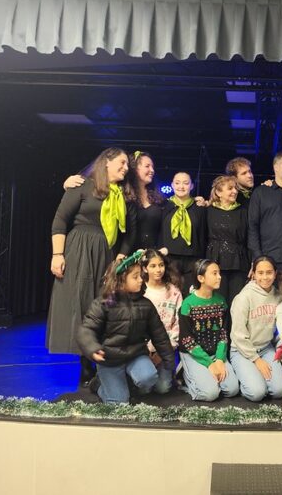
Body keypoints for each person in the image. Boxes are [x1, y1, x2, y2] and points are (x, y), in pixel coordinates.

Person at [48, 147, 134, 386]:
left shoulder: (121, 195)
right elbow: (60, 220)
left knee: (101, 305)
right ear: (106, 162)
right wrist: (57, 254)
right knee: (80, 301)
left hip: (106, 253)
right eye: (122, 163)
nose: (126, 168)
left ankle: (97, 362)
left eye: (127, 165)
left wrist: (119, 259)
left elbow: (128, 233)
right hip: (80, 249)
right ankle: (85, 365)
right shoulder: (82, 185)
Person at [76, 252, 175, 403]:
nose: (141, 279)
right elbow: (86, 329)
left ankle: (124, 382)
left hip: (136, 355)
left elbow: (159, 335)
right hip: (110, 359)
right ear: (121, 280)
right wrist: (92, 347)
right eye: (135, 277)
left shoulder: (146, 305)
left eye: (140, 275)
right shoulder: (103, 303)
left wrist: (168, 360)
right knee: (118, 403)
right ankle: (99, 385)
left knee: (148, 378)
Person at [178, 259, 240, 401]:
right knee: (210, 394)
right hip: (194, 354)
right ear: (201, 278)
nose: (219, 277)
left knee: (232, 390)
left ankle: (207, 378)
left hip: (215, 353)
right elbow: (187, 340)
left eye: (219, 273)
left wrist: (219, 359)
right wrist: (209, 363)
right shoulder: (188, 304)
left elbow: (223, 334)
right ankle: (186, 377)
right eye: (214, 273)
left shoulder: (221, 301)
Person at [230, 256, 282, 401]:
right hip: (241, 351)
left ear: (275, 273)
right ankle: (245, 378)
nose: (265, 277)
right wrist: (256, 360)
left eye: (269, 272)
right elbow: (238, 335)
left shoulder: (278, 296)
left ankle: (255, 377)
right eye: (260, 273)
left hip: (266, 348)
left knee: (279, 391)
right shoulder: (243, 297)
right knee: (257, 393)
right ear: (253, 274)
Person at [141, 248, 182, 394]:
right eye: (153, 266)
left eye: (161, 265)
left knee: (162, 388)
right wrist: (145, 351)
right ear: (145, 268)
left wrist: (163, 352)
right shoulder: (140, 290)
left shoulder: (174, 292)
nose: (158, 270)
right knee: (144, 388)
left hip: (165, 350)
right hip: (142, 351)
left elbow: (178, 325)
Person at [206, 175, 250, 306]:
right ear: (218, 192)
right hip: (215, 261)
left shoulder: (243, 211)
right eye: (230, 188)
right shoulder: (208, 211)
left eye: (235, 188)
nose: (235, 191)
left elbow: (248, 238)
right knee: (217, 301)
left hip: (239, 263)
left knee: (237, 302)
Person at [161, 172, 207, 294]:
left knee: (189, 295)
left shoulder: (200, 207)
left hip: (192, 259)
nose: (181, 186)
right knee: (170, 295)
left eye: (186, 183)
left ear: (192, 186)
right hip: (169, 258)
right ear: (172, 185)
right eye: (177, 183)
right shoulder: (164, 206)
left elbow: (203, 235)